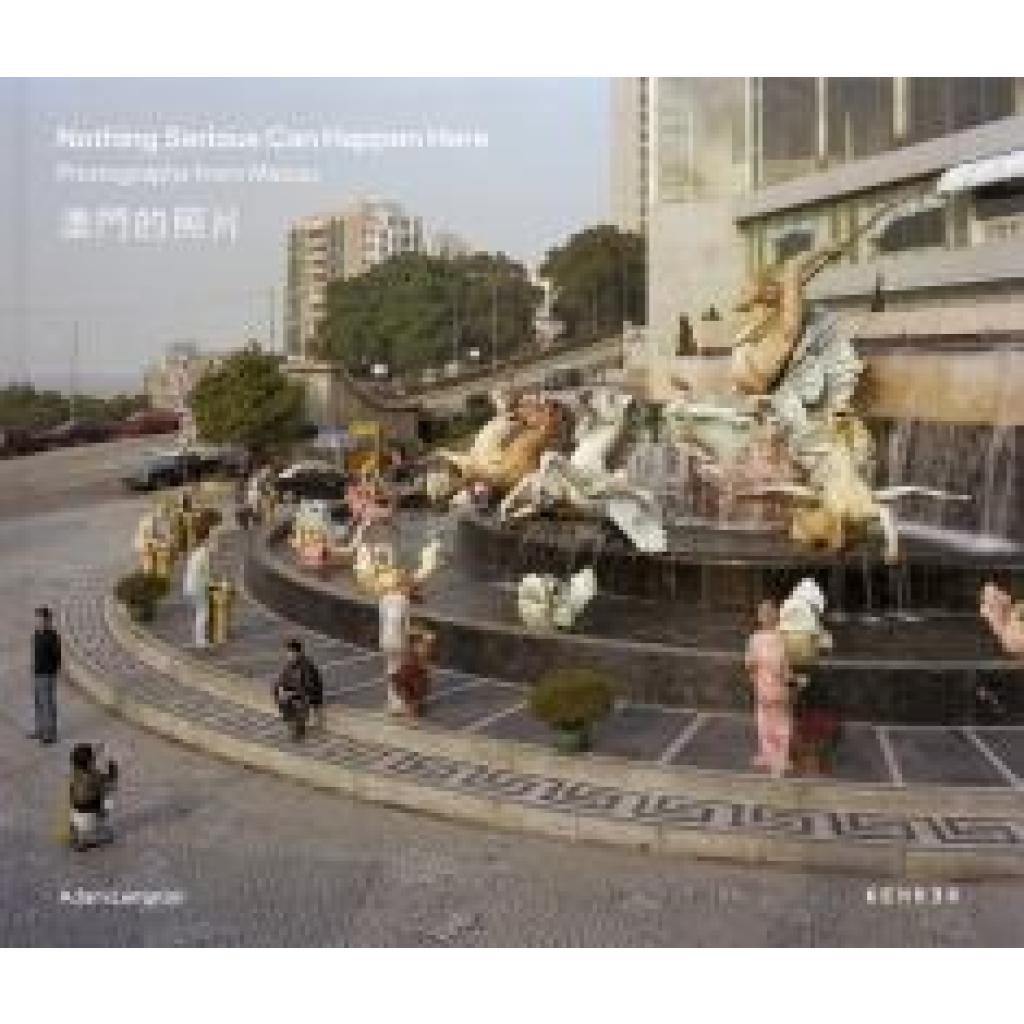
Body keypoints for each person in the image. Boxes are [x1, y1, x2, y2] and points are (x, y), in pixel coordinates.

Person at [744, 599, 794, 778]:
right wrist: (790, 682)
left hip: (768, 685)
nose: (764, 617)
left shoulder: (758, 638)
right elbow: (782, 667)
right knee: (774, 722)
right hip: (771, 685)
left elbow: (751, 664)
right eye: (764, 613)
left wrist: (757, 679)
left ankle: (775, 759)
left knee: (770, 722)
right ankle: (774, 758)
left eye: (765, 613)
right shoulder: (778, 638)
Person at [68, 742, 118, 851]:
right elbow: (108, 781)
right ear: (89, 762)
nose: (94, 761)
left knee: (79, 799)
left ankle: (77, 832)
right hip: (90, 812)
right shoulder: (92, 776)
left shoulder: (75, 774)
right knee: (107, 795)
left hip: (76, 811)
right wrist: (112, 771)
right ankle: (89, 837)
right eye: (92, 759)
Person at [273, 639, 322, 740]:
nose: (288, 655)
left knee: (296, 702)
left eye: (290, 652)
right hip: (295, 692)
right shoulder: (289, 665)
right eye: (288, 652)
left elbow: (309, 687)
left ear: (297, 653)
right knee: (281, 696)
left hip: (308, 695)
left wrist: (291, 693)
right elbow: (282, 679)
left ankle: (299, 728)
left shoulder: (306, 666)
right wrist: (281, 688)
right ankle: (290, 722)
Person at [29, 606, 61, 745]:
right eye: (37, 619)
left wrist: (53, 672)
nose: (39, 622)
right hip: (37, 673)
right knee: (38, 703)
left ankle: (50, 735)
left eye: (41, 619)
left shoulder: (52, 637)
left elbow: (57, 656)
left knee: (47, 704)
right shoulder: (36, 634)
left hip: (47, 675)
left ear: (48, 620)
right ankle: (40, 730)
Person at [379, 583, 411, 714]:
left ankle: (391, 700)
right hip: (398, 641)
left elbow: (382, 621)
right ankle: (398, 702)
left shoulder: (384, 599)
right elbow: (406, 627)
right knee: (399, 670)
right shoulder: (404, 602)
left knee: (390, 668)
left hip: (386, 640)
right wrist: (407, 645)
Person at [183, 539, 211, 649]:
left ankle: (197, 637)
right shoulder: (204, 555)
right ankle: (200, 640)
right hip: (198, 587)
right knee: (202, 612)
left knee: (196, 612)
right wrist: (209, 583)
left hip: (189, 586)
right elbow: (205, 573)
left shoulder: (195, 554)